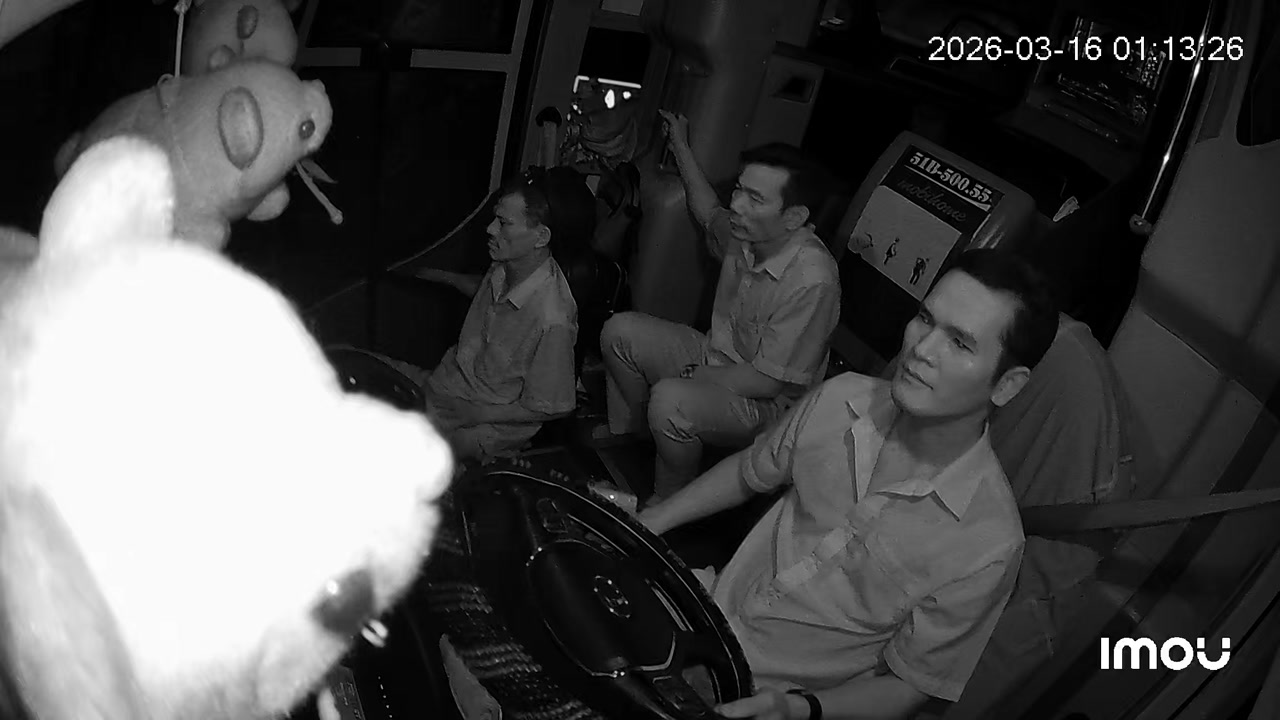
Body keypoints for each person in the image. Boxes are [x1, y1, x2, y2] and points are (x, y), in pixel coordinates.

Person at [638, 249, 1059, 720]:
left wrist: (798, 710)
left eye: (959, 343)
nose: (922, 349)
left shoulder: (988, 545)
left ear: (1006, 385)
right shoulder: (841, 398)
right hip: (705, 613)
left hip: (774, 697)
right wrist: (650, 521)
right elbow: (748, 472)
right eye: (925, 319)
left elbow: (908, 685)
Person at [599, 110, 841, 500]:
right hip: (716, 359)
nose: (738, 205)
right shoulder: (747, 234)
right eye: (740, 190)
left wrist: (696, 376)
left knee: (669, 399)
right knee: (619, 331)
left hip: (766, 403)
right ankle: (640, 438)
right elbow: (707, 209)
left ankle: (670, 498)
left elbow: (767, 382)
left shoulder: (812, 279)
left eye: (755, 199)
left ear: (794, 217)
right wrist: (679, 143)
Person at [381, 168, 584, 462]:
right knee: (345, 362)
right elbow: (486, 292)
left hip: (481, 422)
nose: (490, 229)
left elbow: (553, 406)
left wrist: (475, 413)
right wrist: (438, 275)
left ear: (541, 237)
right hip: (447, 385)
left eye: (504, 223)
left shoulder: (552, 318)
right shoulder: (506, 265)